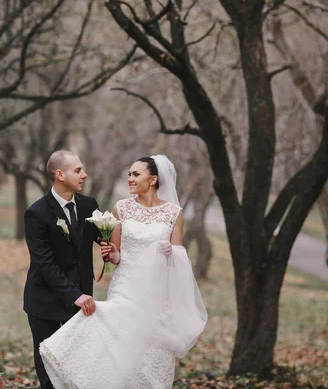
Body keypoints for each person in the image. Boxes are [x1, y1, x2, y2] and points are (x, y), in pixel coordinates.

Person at [39, 155, 208, 389]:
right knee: (119, 351)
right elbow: (117, 255)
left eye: (136, 174)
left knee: (152, 355)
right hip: (125, 286)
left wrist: (172, 253)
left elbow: (180, 260)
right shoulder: (121, 208)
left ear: (153, 179)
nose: (130, 179)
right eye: (129, 174)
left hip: (157, 293)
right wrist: (112, 255)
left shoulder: (174, 213)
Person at [23, 150, 101, 389]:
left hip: (80, 302)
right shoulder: (36, 213)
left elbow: (104, 237)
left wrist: (111, 248)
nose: (84, 175)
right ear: (59, 174)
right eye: (78, 170)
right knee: (48, 367)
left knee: (77, 365)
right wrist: (75, 295)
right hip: (45, 301)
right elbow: (44, 263)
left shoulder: (89, 205)